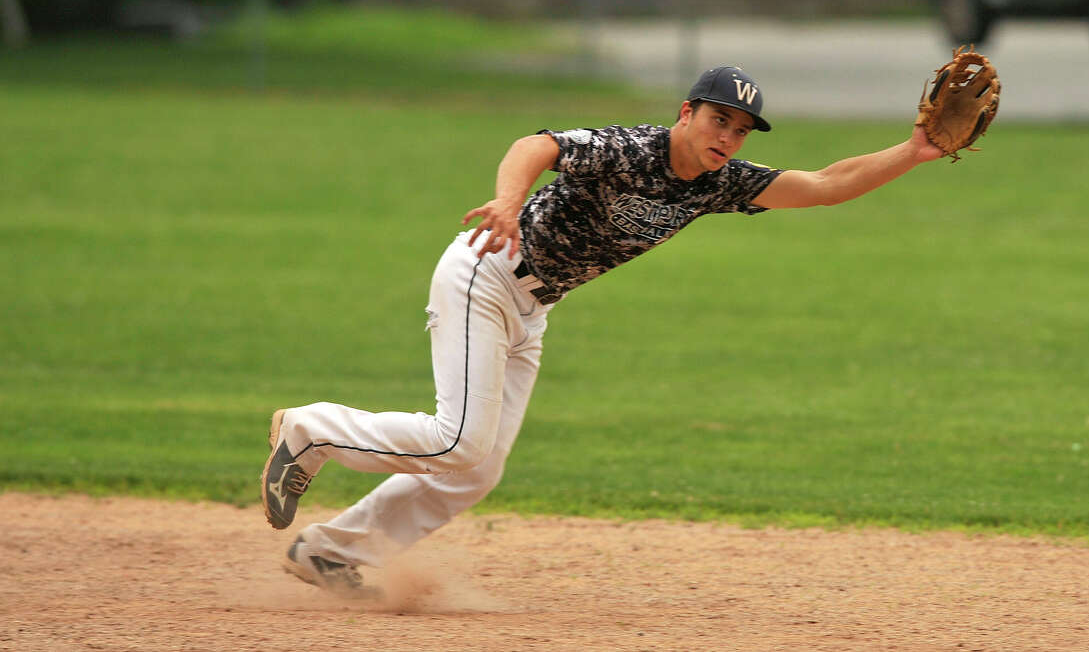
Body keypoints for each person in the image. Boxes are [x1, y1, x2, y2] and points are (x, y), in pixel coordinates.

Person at [260, 64, 947, 596]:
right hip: (487, 273)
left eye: (740, 130)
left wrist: (914, 151)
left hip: (533, 306)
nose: (727, 138)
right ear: (685, 112)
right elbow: (538, 143)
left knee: (476, 470)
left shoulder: (719, 182)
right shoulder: (631, 150)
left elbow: (826, 183)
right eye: (718, 120)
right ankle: (310, 432)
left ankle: (330, 552)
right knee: (456, 439)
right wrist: (508, 199)